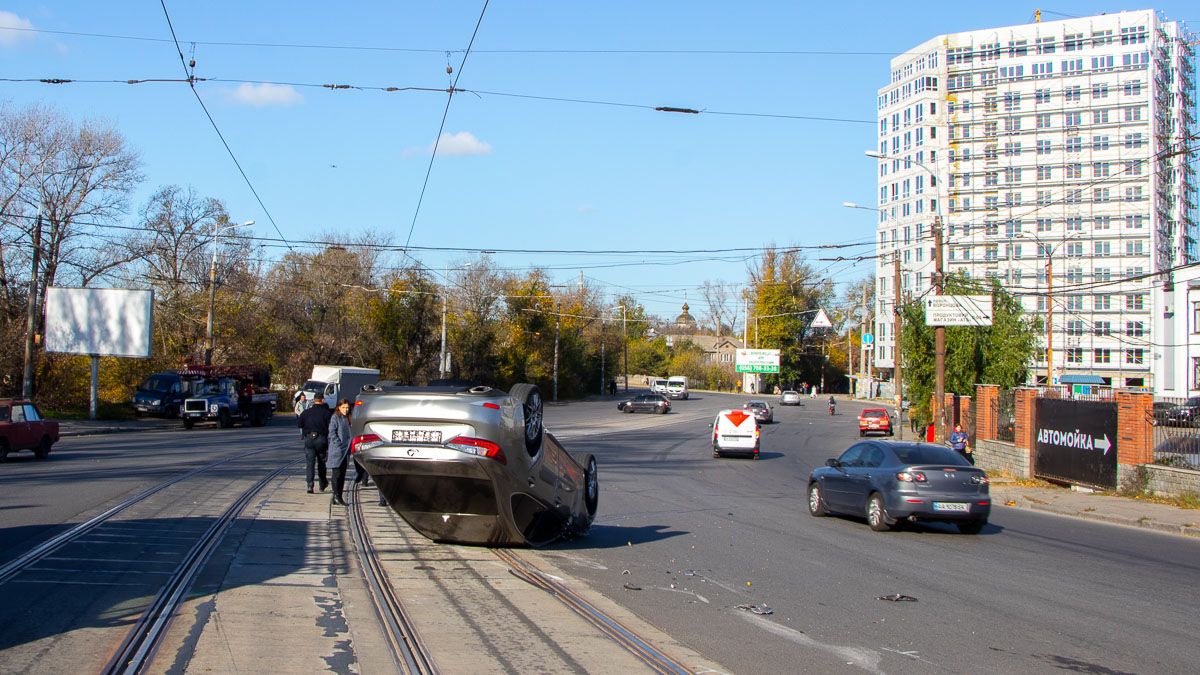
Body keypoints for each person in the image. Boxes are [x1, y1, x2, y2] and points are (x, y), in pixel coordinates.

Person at [297, 394, 331, 494]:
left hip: (309, 439)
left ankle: (310, 485)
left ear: (314, 400)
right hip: (321, 439)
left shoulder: (306, 412)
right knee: (321, 463)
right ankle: (322, 484)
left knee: (310, 463)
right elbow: (330, 426)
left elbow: (300, 424)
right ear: (322, 400)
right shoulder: (326, 413)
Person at [327, 399, 353, 506]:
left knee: (342, 474)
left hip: (345, 451)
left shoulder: (348, 418)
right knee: (336, 474)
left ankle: (338, 496)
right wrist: (338, 443)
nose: (346, 410)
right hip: (337, 450)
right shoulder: (335, 417)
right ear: (339, 407)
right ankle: (336, 496)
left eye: (347, 408)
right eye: (343, 407)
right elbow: (332, 432)